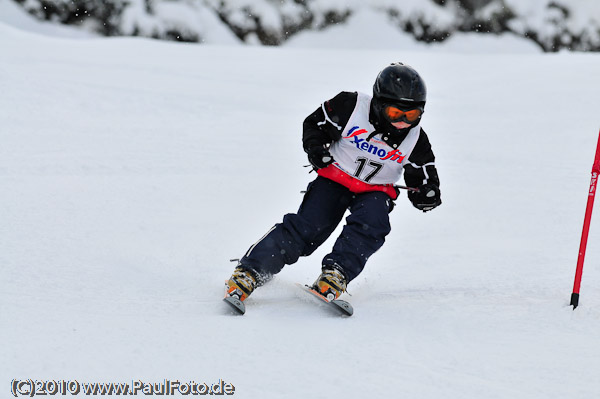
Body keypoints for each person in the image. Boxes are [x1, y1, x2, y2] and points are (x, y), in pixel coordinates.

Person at [224, 62, 441, 307]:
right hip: (334, 179)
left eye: (411, 115)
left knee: (372, 225)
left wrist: (427, 192)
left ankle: (336, 274)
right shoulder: (351, 106)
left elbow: (422, 174)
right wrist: (316, 149)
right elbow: (315, 125)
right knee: (308, 228)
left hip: (375, 191)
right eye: (395, 113)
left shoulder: (415, 139)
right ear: (379, 103)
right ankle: (250, 271)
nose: (402, 122)